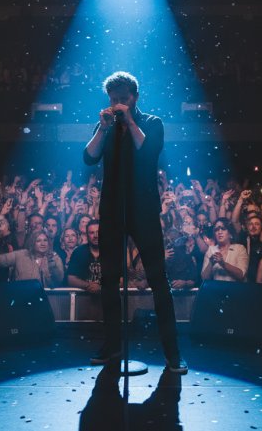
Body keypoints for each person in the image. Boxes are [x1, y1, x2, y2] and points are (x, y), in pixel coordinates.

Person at [83, 71, 186, 373]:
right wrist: (102, 129)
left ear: (135, 97)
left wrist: (129, 121)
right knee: (109, 281)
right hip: (112, 211)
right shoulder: (106, 126)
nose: (118, 104)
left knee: (158, 283)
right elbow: (89, 158)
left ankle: (172, 352)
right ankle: (112, 345)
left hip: (143, 212)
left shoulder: (152, 123)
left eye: (123, 99)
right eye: (114, 100)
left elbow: (148, 151)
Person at [0, 230, 65, 288]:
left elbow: (59, 280)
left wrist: (51, 264)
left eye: (45, 240)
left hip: (47, 300)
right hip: (22, 299)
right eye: (38, 241)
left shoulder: (54, 258)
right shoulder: (20, 255)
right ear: (32, 243)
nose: (43, 243)